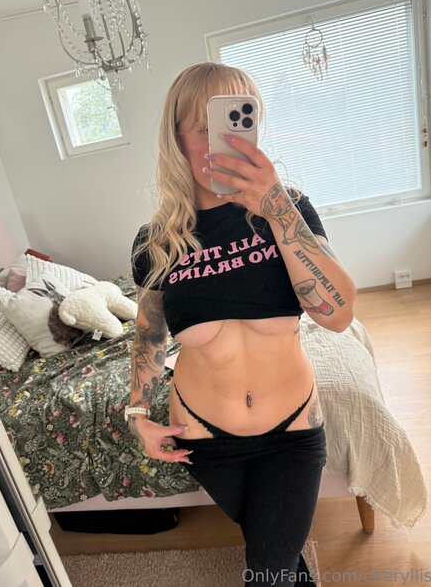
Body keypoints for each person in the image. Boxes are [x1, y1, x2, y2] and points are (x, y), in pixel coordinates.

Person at [127, 62, 356, 586]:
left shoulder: (289, 210)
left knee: (267, 571)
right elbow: (149, 337)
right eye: (206, 127)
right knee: (275, 554)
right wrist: (138, 414)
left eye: (238, 121)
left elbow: (338, 314)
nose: (226, 140)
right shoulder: (155, 242)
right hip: (203, 441)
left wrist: (276, 209)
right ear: (176, 139)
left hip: (291, 432)